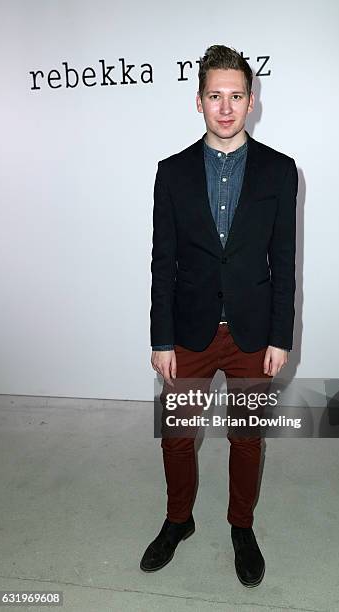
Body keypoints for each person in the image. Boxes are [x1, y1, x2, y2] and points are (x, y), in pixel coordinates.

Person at [140, 44, 298, 587]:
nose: (225, 107)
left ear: (251, 102)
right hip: (189, 332)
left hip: (254, 333)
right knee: (178, 437)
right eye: (215, 96)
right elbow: (163, 262)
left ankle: (241, 527)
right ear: (198, 101)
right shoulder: (172, 172)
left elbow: (285, 261)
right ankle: (178, 520)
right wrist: (161, 338)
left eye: (235, 96)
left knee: (247, 437)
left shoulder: (280, 172)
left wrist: (281, 335)